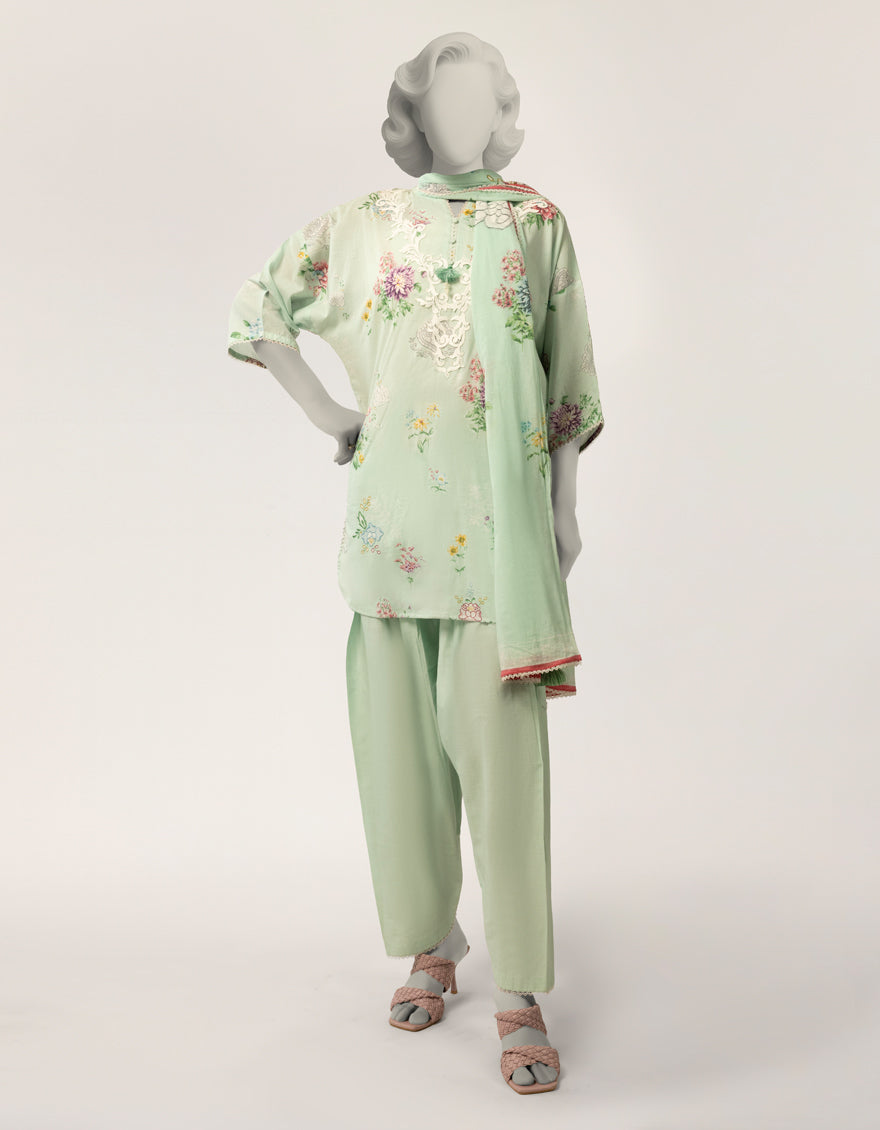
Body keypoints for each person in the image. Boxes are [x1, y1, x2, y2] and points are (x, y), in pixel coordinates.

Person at [226, 31, 605, 1095]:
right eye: (442, 102)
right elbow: (259, 309)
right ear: (410, 117)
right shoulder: (361, 224)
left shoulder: (536, 224)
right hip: (390, 531)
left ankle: (519, 988)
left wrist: (565, 507)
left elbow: (567, 380)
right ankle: (432, 944)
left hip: (500, 541)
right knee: (397, 766)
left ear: (504, 115)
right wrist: (327, 413)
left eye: (483, 101)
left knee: (505, 772)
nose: (462, 119)